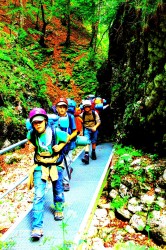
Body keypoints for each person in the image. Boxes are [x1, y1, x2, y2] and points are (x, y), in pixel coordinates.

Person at [27, 107, 69, 239]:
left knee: (58, 189)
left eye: (40, 121)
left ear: (45, 121)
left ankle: (59, 208)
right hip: (40, 165)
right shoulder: (32, 134)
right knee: (38, 195)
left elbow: (67, 138)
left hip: (56, 163)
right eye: (35, 122)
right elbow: (29, 140)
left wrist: (60, 146)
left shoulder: (56, 132)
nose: (37, 124)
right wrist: (30, 145)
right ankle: (37, 226)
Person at [55, 97, 77, 191]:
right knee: (59, 163)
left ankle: (65, 182)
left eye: (64, 107)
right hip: (58, 145)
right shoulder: (54, 119)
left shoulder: (71, 117)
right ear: (56, 108)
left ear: (67, 108)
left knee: (67, 162)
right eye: (60, 107)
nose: (62, 109)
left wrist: (69, 137)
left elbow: (75, 131)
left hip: (69, 144)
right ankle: (61, 178)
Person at [79, 100, 101, 164]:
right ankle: (86, 156)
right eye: (85, 107)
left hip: (94, 128)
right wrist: (81, 131)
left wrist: (95, 127)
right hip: (86, 129)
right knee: (87, 141)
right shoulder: (82, 114)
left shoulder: (94, 113)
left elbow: (99, 121)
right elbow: (79, 120)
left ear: (90, 107)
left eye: (88, 107)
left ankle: (93, 152)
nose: (86, 108)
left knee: (94, 141)